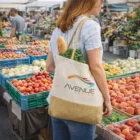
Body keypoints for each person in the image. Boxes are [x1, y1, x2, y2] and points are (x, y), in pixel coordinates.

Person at [46, 0, 112, 140]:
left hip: (58, 100)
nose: (101, 5)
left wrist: (68, 74)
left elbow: (49, 66)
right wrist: (107, 98)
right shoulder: (90, 26)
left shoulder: (58, 29)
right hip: (80, 104)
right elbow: (95, 67)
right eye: (99, 1)